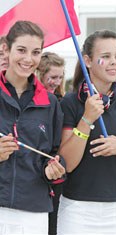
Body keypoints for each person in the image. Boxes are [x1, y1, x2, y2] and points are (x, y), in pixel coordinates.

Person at [57, 29, 116, 234]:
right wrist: (86, 119)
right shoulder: (70, 103)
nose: (114, 62)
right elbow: (66, 164)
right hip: (77, 209)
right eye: (105, 57)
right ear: (88, 61)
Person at [0, 21, 65, 234]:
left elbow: (54, 153)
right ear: (6, 50)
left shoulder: (50, 103)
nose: (28, 59)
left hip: (34, 211)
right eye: (21, 50)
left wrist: (53, 168)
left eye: (36, 52)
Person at [36, 51, 66, 235]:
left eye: (60, 77)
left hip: (55, 173)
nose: (57, 82)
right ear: (39, 74)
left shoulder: (60, 101)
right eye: (52, 77)